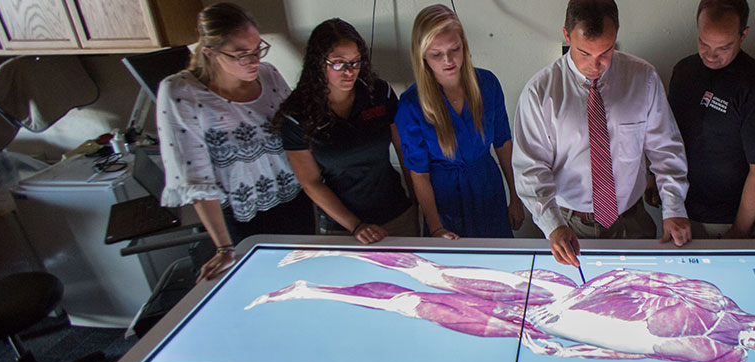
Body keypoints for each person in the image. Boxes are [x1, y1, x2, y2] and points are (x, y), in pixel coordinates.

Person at [250, 249, 755, 362]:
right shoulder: (716, 300)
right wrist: (575, 298)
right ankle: (326, 252)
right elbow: (634, 274)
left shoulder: (726, 357)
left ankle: (311, 292)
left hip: (550, 326)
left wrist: (567, 347)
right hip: (556, 295)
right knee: (436, 273)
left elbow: (638, 356)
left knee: (415, 306)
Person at [514, 0, 691, 267]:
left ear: (617, 34)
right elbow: (530, 168)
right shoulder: (540, 93)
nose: (595, 65)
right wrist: (552, 225)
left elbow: (665, 148)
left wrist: (674, 208)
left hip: (634, 222)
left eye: (605, 52)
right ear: (566, 35)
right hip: (571, 226)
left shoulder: (643, 78)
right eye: (584, 53)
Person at [157, 2, 313, 282]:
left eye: (257, 49)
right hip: (241, 216)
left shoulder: (269, 74)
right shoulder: (182, 93)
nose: (254, 60)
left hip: (294, 203)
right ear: (209, 52)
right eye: (242, 55)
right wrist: (224, 247)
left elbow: (297, 134)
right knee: (259, 285)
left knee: (302, 280)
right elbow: (196, 178)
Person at [274, 19, 416, 245]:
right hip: (343, 226)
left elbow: (404, 150)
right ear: (318, 63)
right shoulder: (297, 115)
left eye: (356, 62)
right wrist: (356, 226)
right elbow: (311, 182)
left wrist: (417, 202)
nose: (350, 72)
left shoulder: (378, 93)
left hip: (397, 213)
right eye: (339, 64)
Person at [395, 4, 523, 239]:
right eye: (436, 54)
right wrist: (436, 228)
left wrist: (515, 196)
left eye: (455, 49)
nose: (448, 60)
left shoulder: (487, 84)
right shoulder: (411, 105)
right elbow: (419, 173)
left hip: (487, 189)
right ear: (422, 55)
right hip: (444, 202)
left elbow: (503, 143)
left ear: (464, 44)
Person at [664, 0, 755, 240]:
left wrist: (740, 229)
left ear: (743, 35)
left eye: (723, 47)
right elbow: (667, 134)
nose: (711, 55)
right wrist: (655, 180)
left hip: (725, 219)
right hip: (677, 208)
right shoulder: (683, 72)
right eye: (703, 43)